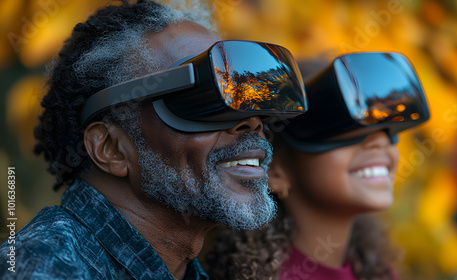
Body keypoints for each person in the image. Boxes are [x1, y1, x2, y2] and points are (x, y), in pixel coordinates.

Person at [0, 1, 309, 279]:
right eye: (202, 100)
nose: (253, 123)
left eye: (249, 101)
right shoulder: (48, 268)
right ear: (111, 149)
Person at [205, 52, 430, 279]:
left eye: (387, 130)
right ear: (273, 170)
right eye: (342, 130)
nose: (379, 141)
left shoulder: (376, 272)